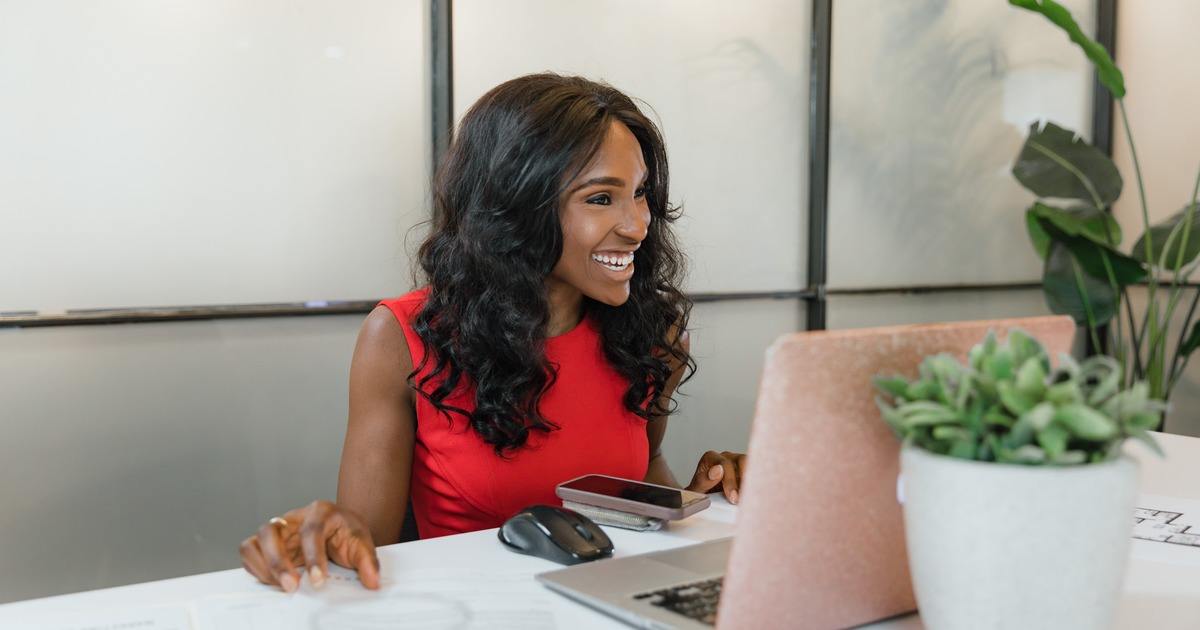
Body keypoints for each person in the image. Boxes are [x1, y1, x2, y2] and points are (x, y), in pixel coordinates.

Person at [238, 73, 749, 592]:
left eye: (640, 194)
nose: (637, 225)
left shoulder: (653, 333)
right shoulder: (400, 338)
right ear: (517, 206)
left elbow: (641, 476)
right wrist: (323, 532)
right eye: (600, 199)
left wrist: (706, 498)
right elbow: (363, 545)